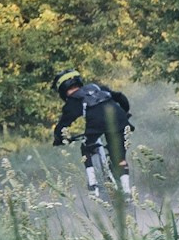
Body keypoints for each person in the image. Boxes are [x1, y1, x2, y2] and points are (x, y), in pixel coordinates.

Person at [51, 69, 133, 200]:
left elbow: (62, 125)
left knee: (87, 147)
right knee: (119, 157)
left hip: (97, 123)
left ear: (62, 88)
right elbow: (120, 97)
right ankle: (127, 191)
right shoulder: (97, 88)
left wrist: (59, 138)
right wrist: (125, 112)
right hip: (119, 118)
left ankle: (93, 184)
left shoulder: (73, 100)